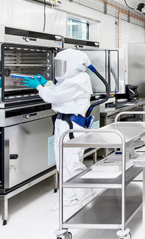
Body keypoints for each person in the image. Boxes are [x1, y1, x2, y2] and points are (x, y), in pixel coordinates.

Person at [23, 49, 94, 208]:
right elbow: (58, 91)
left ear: (73, 65)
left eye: (63, 64)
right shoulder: (71, 79)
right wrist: (46, 83)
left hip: (72, 125)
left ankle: (86, 197)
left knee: (72, 162)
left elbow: (54, 96)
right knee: (62, 162)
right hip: (63, 123)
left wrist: (39, 87)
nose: (60, 68)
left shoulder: (79, 80)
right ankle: (69, 197)